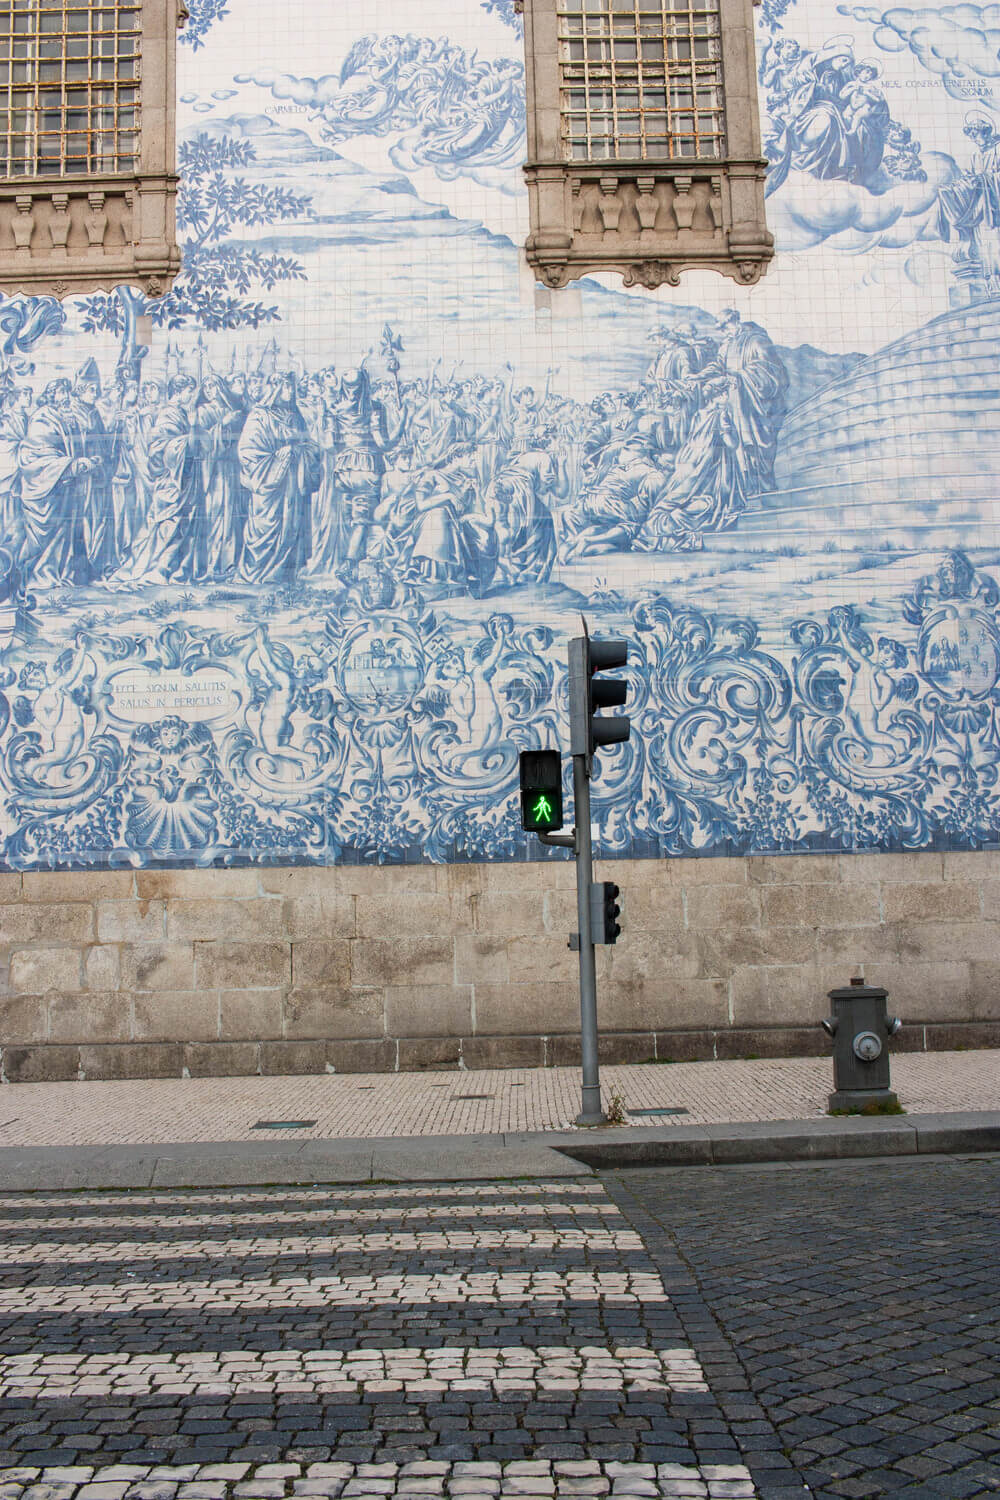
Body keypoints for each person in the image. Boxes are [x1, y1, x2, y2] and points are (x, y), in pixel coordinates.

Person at [117, 374, 206, 585]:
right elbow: (159, 446)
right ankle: (152, 567)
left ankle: (165, 568)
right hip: (171, 479)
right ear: (179, 391)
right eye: (188, 391)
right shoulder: (169, 414)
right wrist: (188, 439)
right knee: (166, 522)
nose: (191, 395)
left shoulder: (181, 413)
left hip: (184, 478)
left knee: (180, 523)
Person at [238, 372, 321, 583]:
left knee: (292, 525)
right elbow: (248, 451)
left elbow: (310, 445)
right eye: (285, 387)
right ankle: (256, 573)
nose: (290, 392)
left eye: (292, 387)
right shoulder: (259, 415)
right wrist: (280, 455)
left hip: (293, 481)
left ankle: (283, 574)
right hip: (269, 482)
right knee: (265, 525)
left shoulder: (296, 416)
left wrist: (301, 450)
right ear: (274, 389)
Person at [18, 379, 93, 586]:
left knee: (66, 532)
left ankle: (62, 574)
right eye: (61, 392)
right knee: (49, 533)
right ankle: (42, 574)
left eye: (67, 392)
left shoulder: (65, 417)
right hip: (47, 488)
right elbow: (40, 455)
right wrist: (72, 466)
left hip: (65, 487)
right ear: (51, 395)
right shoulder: (42, 418)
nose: (66, 397)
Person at [938, 114, 1000, 293]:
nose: (976, 139)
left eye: (977, 134)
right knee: (986, 245)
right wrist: (969, 182)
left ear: (986, 133)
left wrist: (987, 179)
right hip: (982, 209)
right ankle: (991, 284)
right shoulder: (975, 155)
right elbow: (970, 177)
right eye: (972, 136)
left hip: (995, 209)